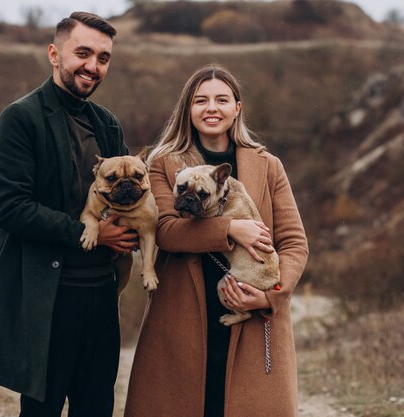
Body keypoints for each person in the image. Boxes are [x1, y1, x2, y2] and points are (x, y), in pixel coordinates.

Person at [0, 12, 137, 417]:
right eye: (83, 53)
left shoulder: (106, 123)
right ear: (54, 53)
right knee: (42, 410)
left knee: (96, 407)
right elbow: (9, 207)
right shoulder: (21, 118)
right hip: (50, 297)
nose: (93, 66)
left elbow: (128, 195)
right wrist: (92, 233)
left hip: (102, 295)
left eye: (103, 58)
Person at [124, 64, 309, 417]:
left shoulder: (268, 165)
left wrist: (271, 295)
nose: (212, 108)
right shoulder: (163, 163)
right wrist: (230, 229)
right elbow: (164, 229)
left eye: (222, 99)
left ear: (237, 108)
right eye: (201, 100)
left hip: (252, 317)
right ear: (187, 109)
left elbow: (294, 243)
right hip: (182, 316)